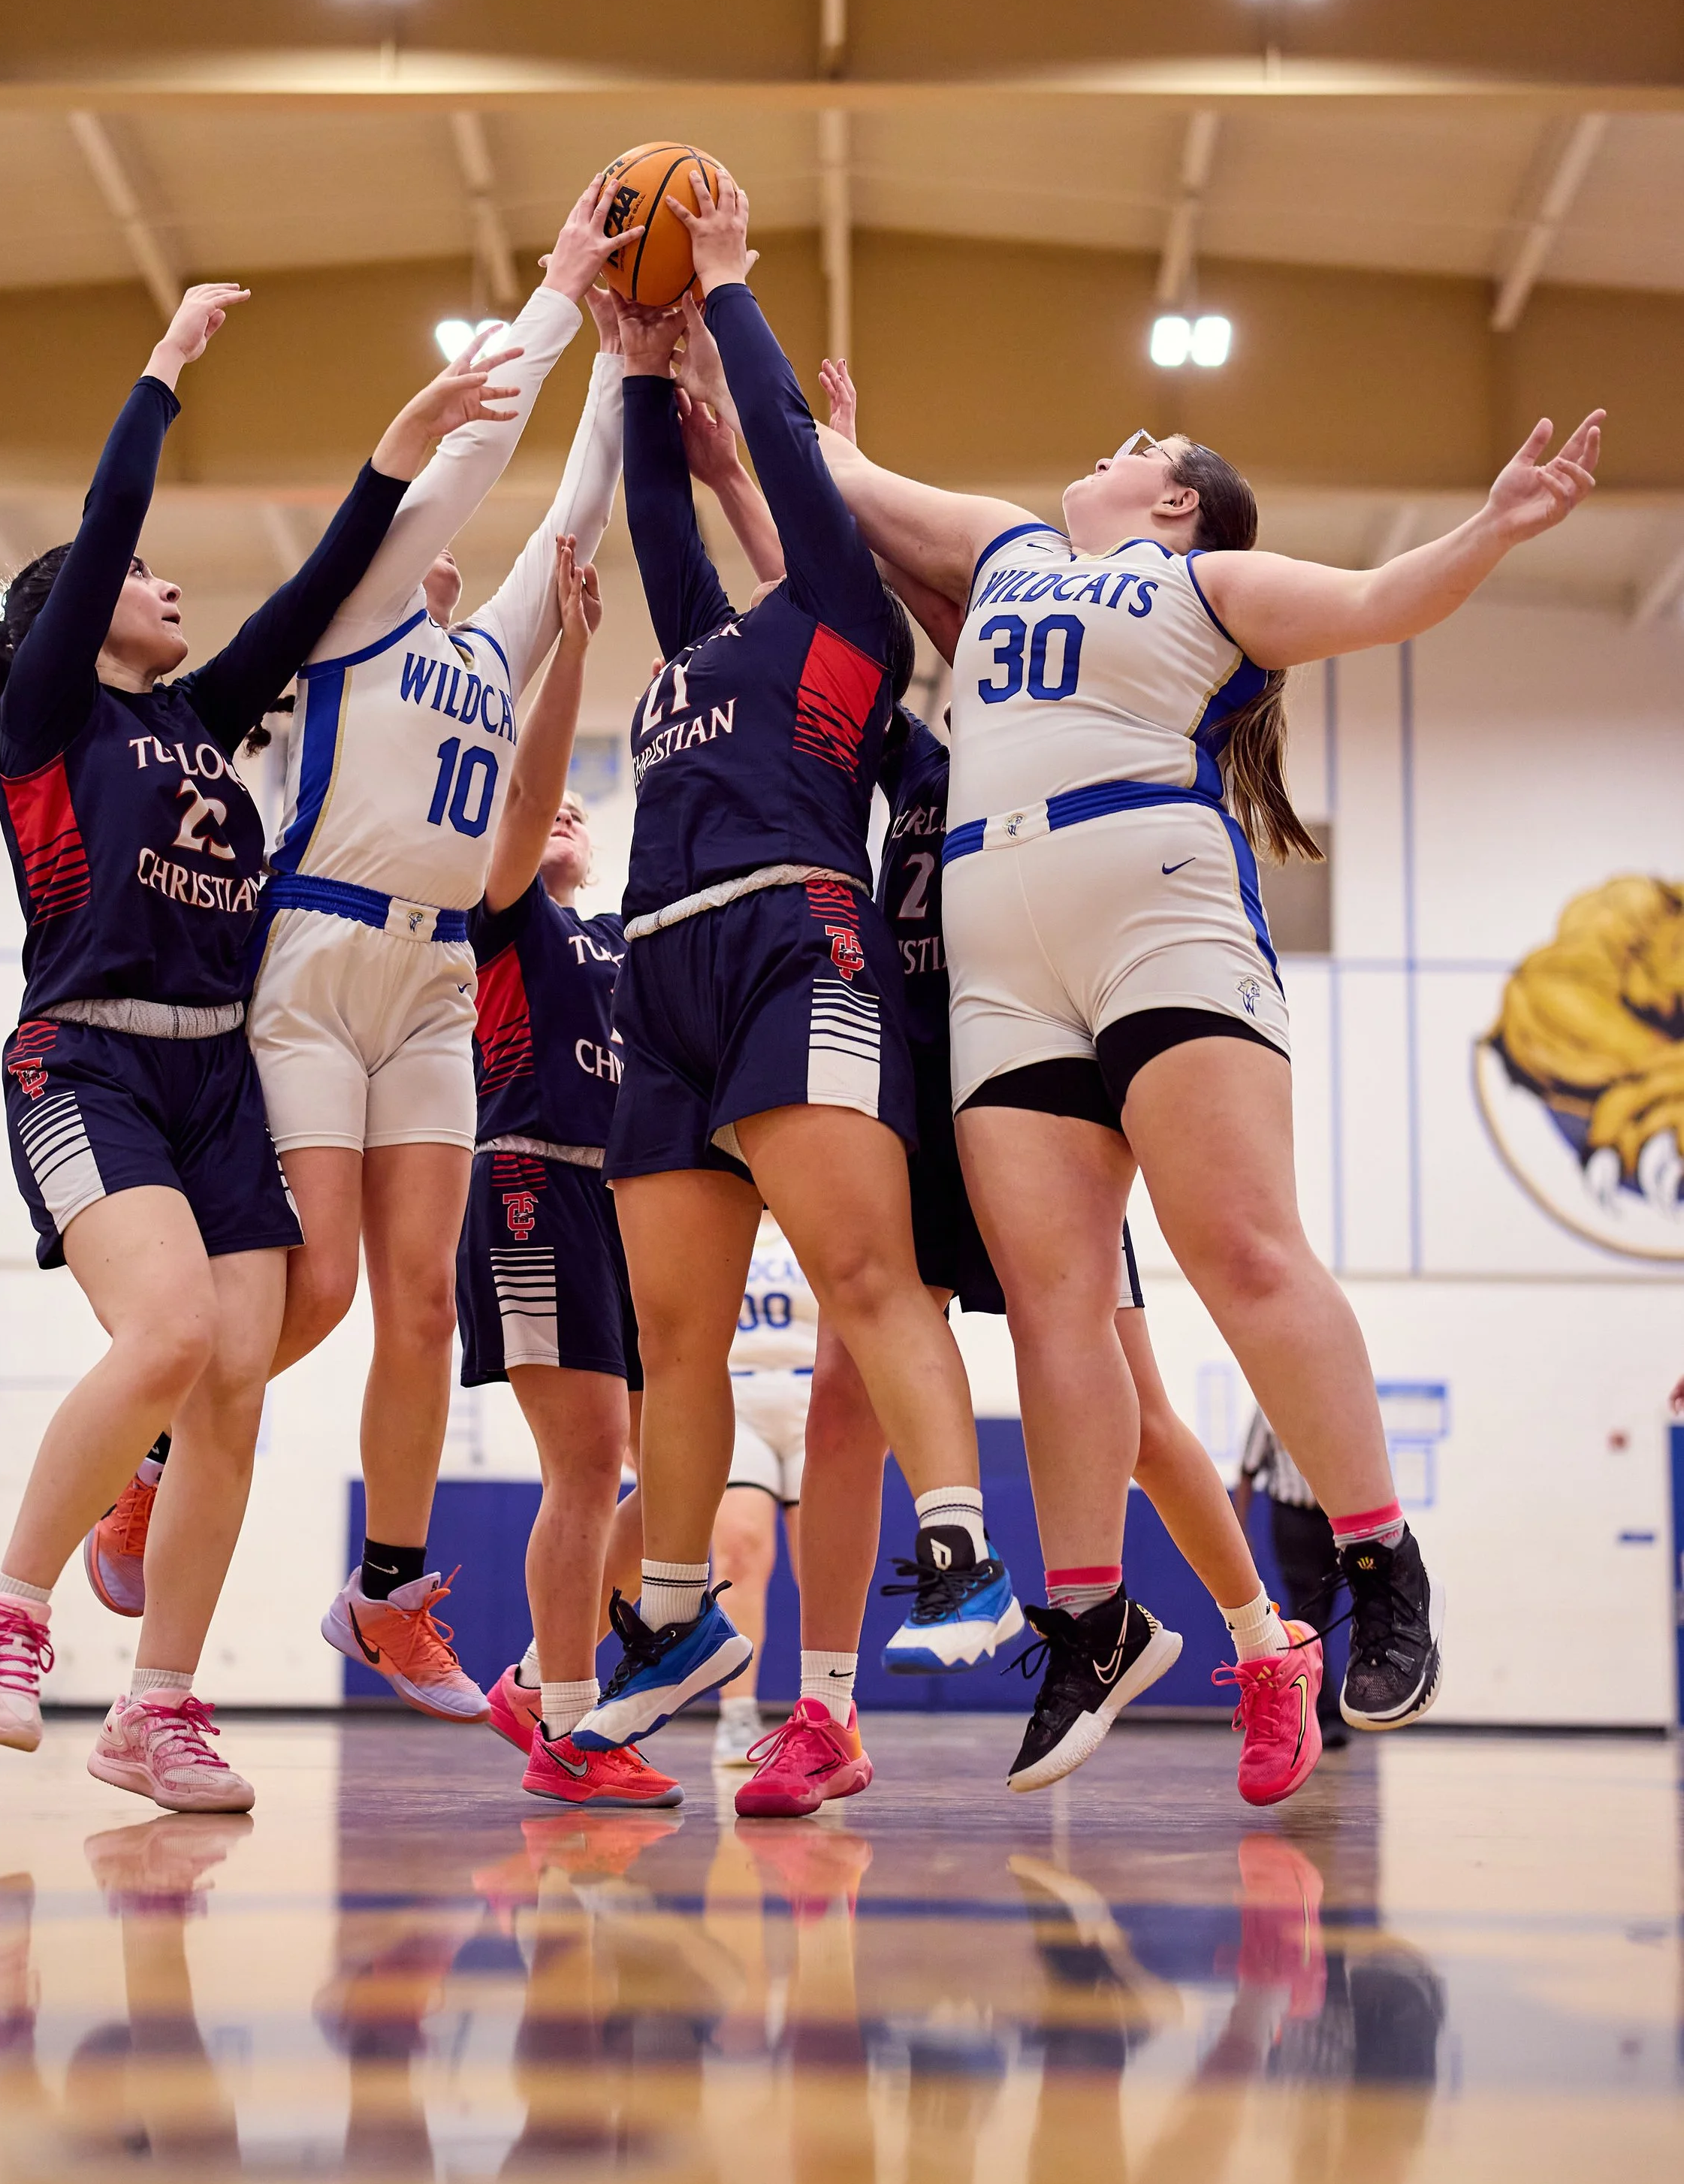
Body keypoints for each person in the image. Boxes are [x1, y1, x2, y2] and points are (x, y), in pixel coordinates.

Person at [816, 392, 1604, 1778]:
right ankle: (1090, 1617)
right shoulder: (1003, 554)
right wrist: (718, 345)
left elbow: (1374, 597)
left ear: (1178, 499)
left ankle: (1380, 1559)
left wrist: (1491, 527)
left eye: (1139, 447)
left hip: (1156, 901)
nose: (1108, 447)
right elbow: (849, 483)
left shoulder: (1203, 581)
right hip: (1003, 949)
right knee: (1055, 1305)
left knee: (1240, 1247)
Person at [676, 361, 1320, 1815]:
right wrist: (735, 477)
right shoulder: (926, 741)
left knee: (1133, 1402)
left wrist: (799, 456)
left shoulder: (1107, 721)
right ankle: (825, 1711)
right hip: (921, 1059)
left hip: (1052, 1071)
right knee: (849, 1381)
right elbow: (830, 587)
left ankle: (1260, 1641)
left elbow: (931, 569)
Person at [0, 281, 509, 1810]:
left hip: (216, 1072)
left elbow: (319, 592)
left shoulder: (199, 716)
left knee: (237, 1380)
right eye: (139, 578)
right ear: (70, 609)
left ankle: (158, 1705)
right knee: (176, 1335)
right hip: (88, 1061)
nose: (167, 586)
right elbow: (112, 517)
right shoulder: (53, 714)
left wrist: (402, 446)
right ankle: (3, 1610)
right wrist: (166, 367)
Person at [82, 178, 639, 1719]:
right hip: (315, 958)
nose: (456, 562)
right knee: (313, 1285)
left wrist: (629, 362)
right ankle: (145, 1457)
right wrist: (553, 298)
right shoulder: (360, 615)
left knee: (422, 1297)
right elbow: (464, 466)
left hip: (438, 976)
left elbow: (574, 504)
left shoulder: (492, 641)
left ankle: (386, 1589)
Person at [572, 168, 1014, 1758]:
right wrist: (631, 368)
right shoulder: (702, 642)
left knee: (860, 1275)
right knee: (672, 1346)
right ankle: (677, 1615)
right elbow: (651, 521)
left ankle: (961, 1552)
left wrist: (732, 287)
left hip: (793, 936)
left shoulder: (844, 617)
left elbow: (786, 461)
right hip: (660, 967)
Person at [453, 531, 677, 1813]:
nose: (569, 817)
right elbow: (531, 794)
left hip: (628, 1195)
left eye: (591, 812)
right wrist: (578, 649)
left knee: (677, 1460)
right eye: (551, 809)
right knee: (588, 1465)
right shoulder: (507, 916)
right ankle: (571, 1725)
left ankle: (544, 1673)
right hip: (533, 1179)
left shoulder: (619, 942)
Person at [711, 1217, 817, 1769]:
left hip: (817, 1395)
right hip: (736, 1397)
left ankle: (825, 1708)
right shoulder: (715, 1208)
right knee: (740, 1551)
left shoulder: (822, 1208)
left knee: (821, 1564)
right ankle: (738, 1715)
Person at [1233, 1407, 1349, 1748]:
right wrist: (1242, 1529)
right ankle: (1323, 1716)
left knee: (1323, 1618)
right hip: (1291, 1520)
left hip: (1333, 1521)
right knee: (1307, 1614)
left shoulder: (1332, 1401)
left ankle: (1308, 1708)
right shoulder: (1266, 1406)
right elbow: (1246, 1471)